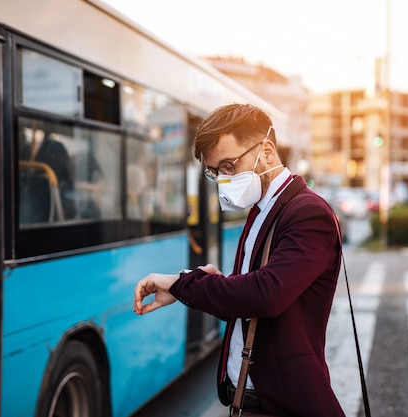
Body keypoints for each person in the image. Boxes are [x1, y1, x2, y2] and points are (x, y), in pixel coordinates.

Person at [133, 103, 345, 417]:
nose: (223, 179)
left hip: (285, 405)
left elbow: (266, 296)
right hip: (251, 403)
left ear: (268, 152)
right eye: (215, 172)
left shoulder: (307, 213)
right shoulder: (262, 209)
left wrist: (182, 284)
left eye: (229, 165)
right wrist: (219, 285)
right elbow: (251, 301)